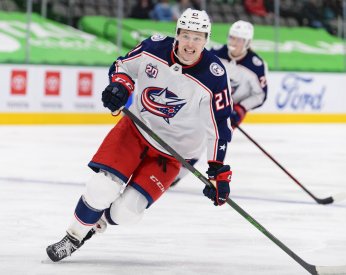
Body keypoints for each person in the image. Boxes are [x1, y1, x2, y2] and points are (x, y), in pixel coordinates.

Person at [46, 8, 234, 262]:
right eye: (187, 36)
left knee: (127, 213)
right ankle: (73, 237)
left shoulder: (214, 76)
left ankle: (97, 222)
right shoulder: (153, 48)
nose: (191, 43)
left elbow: (219, 126)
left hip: (172, 154)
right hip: (135, 131)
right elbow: (122, 65)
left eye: (198, 38)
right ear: (177, 34)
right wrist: (120, 85)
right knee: (101, 188)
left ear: (206, 40)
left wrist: (218, 171)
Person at [172, 20, 268, 186]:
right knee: (186, 134)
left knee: (207, 140)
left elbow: (260, 95)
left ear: (248, 43)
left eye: (239, 40)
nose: (234, 43)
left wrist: (241, 108)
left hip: (231, 114)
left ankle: (177, 174)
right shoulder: (214, 55)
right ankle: (168, 166)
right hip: (207, 105)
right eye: (232, 38)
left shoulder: (257, 66)